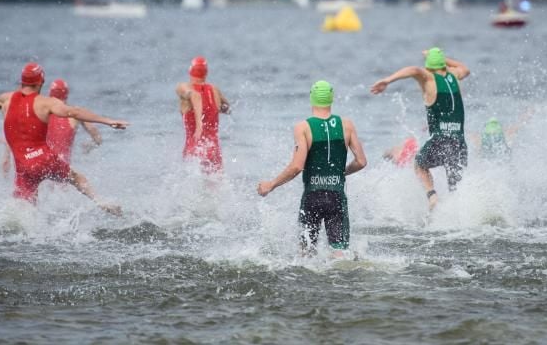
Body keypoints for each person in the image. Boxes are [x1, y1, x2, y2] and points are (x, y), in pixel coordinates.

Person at [0, 63, 127, 215]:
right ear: (40, 83)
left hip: (23, 167)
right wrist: (108, 120)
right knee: (77, 178)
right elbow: (75, 112)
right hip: (44, 160)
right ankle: (100, 201)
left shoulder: (6, 99)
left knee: (25, 210)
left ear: (22, 82)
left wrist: (0, 103)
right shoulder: (47, 103)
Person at [257, 80, 367, 255]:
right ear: (331, 99)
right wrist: (341, 172)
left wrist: (271, 184)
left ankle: (309, 283)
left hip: (312, 197)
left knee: (306, 253)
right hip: (336, 197)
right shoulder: (347, 125)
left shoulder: (303, 128)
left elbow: (297, 166)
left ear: (312, 99)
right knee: (340, 254)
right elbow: (361, 161)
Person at [370, 47, 470, 210]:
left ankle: (432, 197)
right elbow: (465, 69)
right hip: (459, 143)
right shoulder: (455, 76)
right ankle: (456, 216)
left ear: (428, 67)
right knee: (455, 191)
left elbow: (414, 69)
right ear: (445, 65)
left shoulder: (429, 79)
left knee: (419, 165)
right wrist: (442, 58)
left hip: (439, 139)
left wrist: (388, 80)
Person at [175, 56, 230, 174]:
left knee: (191, 190)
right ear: (206, 73)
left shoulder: (183, 88)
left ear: (190, 71)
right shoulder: (214, 90)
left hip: (195, 149)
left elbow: (195, 95)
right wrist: (219, 109)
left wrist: (199, 123)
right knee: (216, 189)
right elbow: (227, 107)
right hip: (213, 150)